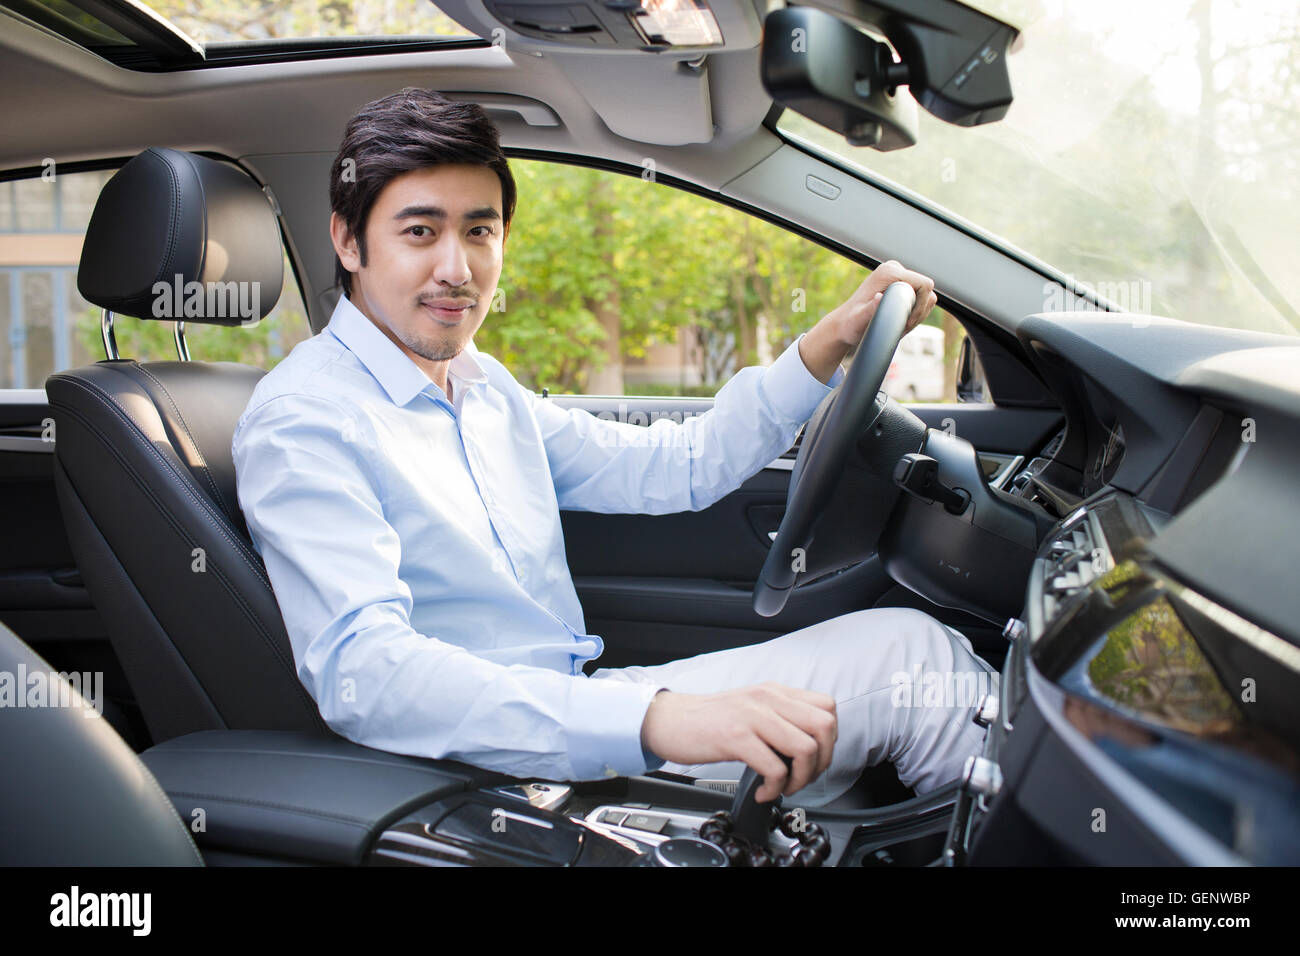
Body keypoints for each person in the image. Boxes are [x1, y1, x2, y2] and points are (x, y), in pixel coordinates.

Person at [232, 87, 997, 807]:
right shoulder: (306, 420)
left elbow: (674, 466)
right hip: (488, 773)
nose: (457, 270)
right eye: (420, 231)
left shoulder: (479, 384)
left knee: (912, 650)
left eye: (480, 230)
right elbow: (368, 675)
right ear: (349, 241)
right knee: (917, 672)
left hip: (583, 706)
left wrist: (825, 345)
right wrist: (656, 720)